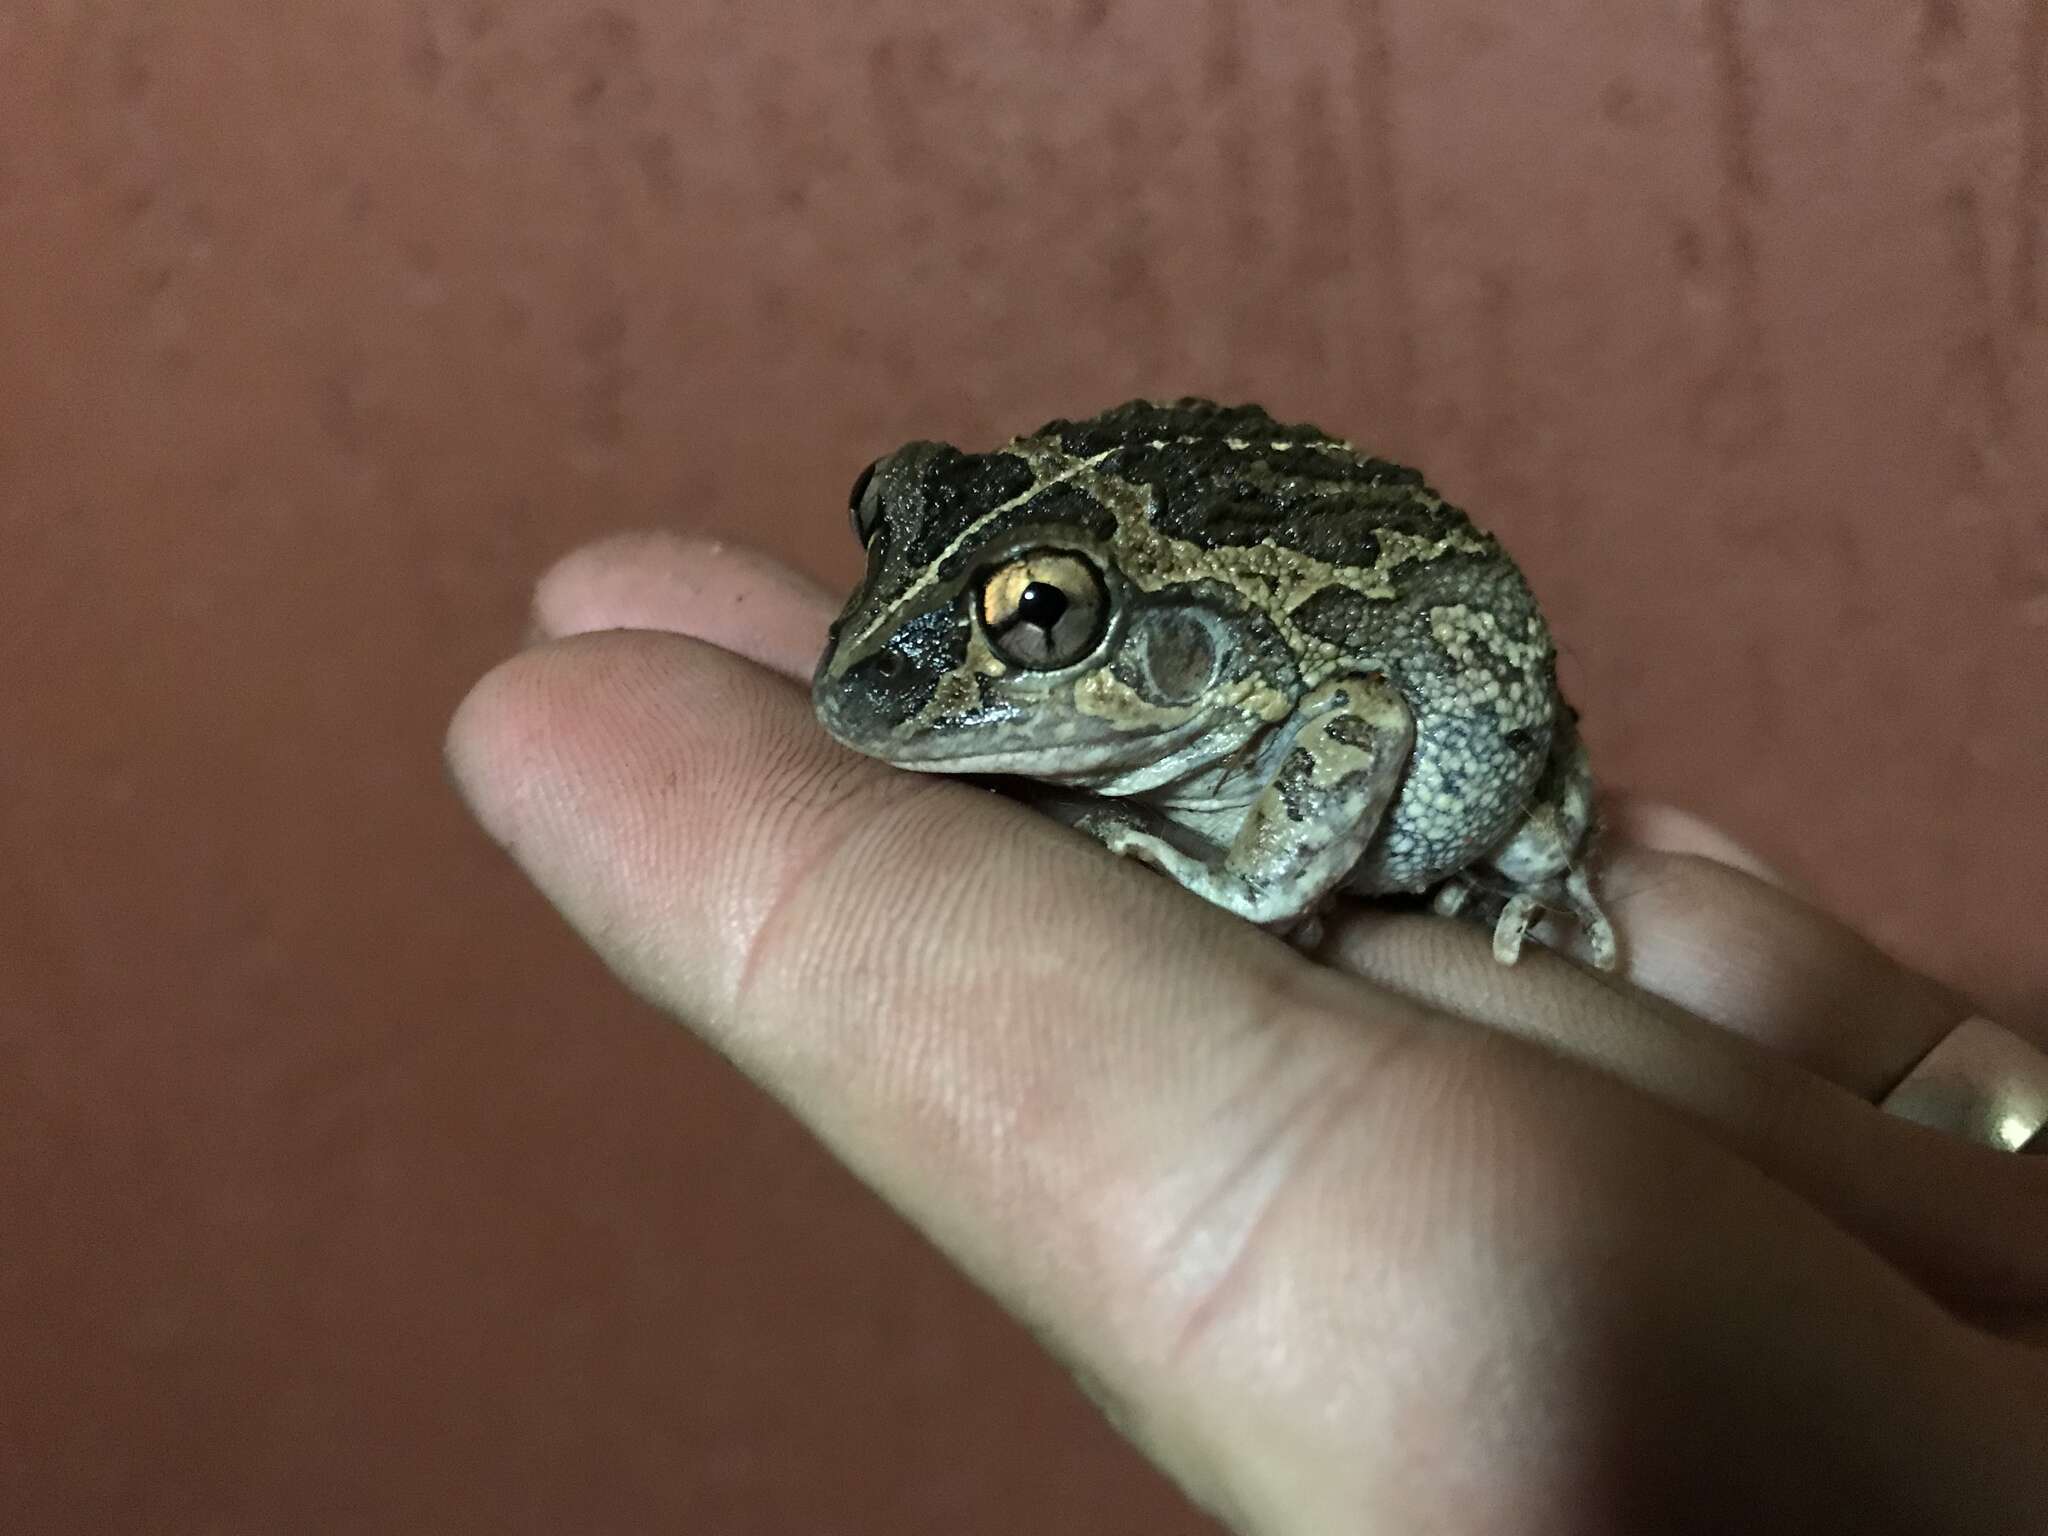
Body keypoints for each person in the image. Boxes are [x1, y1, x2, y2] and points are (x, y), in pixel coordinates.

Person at [448, 530, 2048, 1534]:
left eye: (1035, 616)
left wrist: (1240, 867)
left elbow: (1356, 712)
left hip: (1421, 672)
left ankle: (1539, 828)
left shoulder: (1269, 678)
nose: (903, 654)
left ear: (1154, 640)